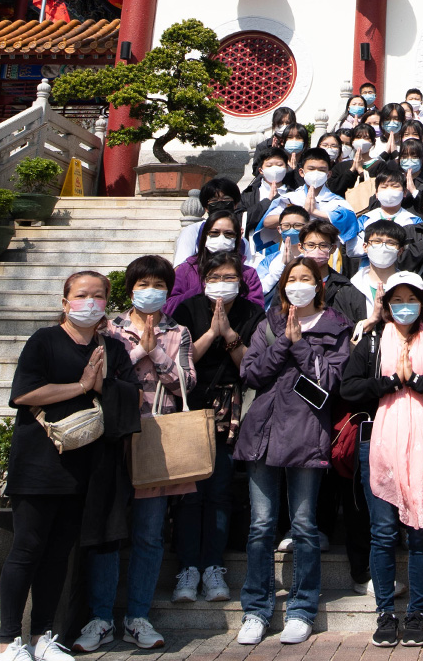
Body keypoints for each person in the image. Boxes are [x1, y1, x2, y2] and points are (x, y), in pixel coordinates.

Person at [0, 272, 140, 661]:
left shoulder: (113, 348)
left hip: (85, 466)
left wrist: (103, 385)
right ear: (65, 302)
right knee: (26, 549)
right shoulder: (44, 340)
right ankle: (7, 641)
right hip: (38, 463)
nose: (89, 303)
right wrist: (81, 385)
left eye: (98, 296)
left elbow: (130, 400)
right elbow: (24, 393)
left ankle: (43, 635)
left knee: (59, 554)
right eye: (80, 295)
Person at [77, 256, 196, 652]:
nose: (152, 291)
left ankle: (138, 616)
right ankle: (99, 618)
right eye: (144, 284)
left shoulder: (178, 331)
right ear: (130, 288)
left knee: (148, 532)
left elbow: (185, 384)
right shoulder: (108, 328)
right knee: (108, 532)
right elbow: (96, 378)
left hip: (157, 438)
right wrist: (135, 352)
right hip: (110, 440)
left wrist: (156, 353)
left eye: (159, 285)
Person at [340, 272, 423, 648]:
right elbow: (350, 387)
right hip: (379, 447)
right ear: (387, 304)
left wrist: (419, 382)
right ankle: (385, 613)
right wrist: (394, 381)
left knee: (420, 532)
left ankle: (416, 613)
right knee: (382, 534)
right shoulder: (373, 339)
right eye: (397, 299)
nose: (404, 306)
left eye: (412, 299)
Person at [235, 259, 352, 646]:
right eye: (291, 279)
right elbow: (251, 373)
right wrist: (284, 340)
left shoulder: (335, 327)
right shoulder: (269, 324)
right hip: (263, 433)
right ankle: (256, 608)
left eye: (306, 279)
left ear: (319, 285)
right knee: (260, 526)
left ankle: (302, 608)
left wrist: (301, 345)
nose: (298, 285)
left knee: (303, 527)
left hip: (305, 433)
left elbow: (329, 381)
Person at [171, 251, 266, 604]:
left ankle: (213, 566)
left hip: (231, 410)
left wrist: (228, 334)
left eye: (229, 277)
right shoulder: (187, 310)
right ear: (203, 278)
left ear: (240, 280)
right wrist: (211, 333)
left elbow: (250, 367)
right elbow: (180, 362)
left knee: (220, 490)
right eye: (215, 277)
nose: (222, 284)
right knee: (189, 492)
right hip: (190, 406)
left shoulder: (251, 313)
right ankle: (187, 568)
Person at [165, 211, 264, 315]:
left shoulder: (248, 273)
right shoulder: (186, 270)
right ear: (205, 236)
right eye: (214, 233)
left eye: (228, 234)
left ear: (237, 238)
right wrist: (202, 289)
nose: (221, 238)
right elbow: (169, 307)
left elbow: (257, 311)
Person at [173, 179, 243, 266]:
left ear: (235, 204)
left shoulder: (242, 239)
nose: (220, 204)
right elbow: (180, 267)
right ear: (206, 207)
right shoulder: (192, 231)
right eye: (214, 200)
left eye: (226, 199)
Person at [251, 107, 300, 174]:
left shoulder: (299, 145)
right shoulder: (264, 146)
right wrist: (272, 153)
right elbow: (256, 171)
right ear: (274, 125)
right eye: (280, 123)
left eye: (288, 123)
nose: (284, 126)